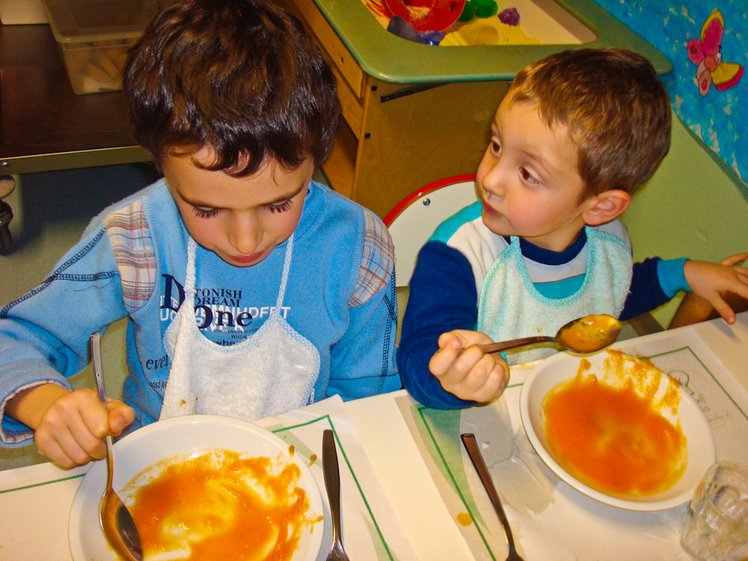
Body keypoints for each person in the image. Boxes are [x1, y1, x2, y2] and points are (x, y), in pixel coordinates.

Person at [0, 0, 400, 468]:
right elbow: (13, 340)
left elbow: (368, 399)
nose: (245, 241)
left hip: (299, 470)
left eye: (278, 204)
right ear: (162, 168)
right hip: (158, 464)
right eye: (207, 209)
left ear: (316, 158)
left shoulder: (358, 248)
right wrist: (46, 405)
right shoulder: (135, 239)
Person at [397, 48, 748, 409]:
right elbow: (416, 362)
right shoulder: (457, 254)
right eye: (497, 145)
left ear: (600, 207)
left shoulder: (609, 242)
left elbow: (611, 299)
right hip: (476, 421)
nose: (490, 179)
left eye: (527, 174)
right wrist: (457, 381)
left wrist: (682, 273)